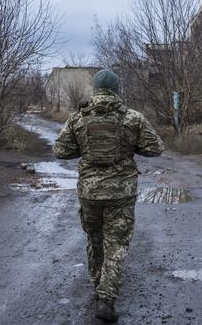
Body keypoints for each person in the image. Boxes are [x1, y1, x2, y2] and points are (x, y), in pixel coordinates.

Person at [54, 69, 164, 322]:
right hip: (121, 191)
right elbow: (155, 147)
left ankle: (98, 285)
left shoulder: (78, 118)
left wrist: (84, 150)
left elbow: (61, 150)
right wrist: (130, 146)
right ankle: (107, 297)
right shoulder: (133, 118)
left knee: (94, 239)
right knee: (117, 242)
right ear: (117, 89)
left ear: (95, 90)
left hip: (89, 191)